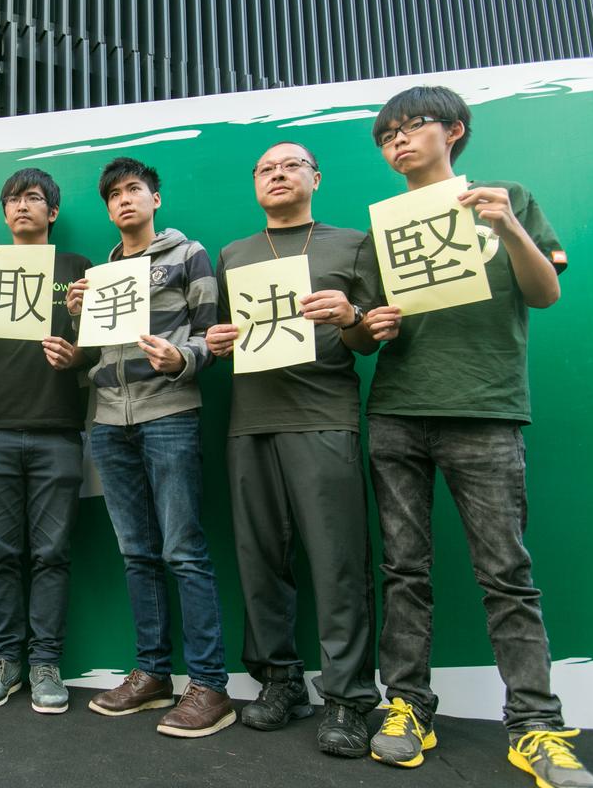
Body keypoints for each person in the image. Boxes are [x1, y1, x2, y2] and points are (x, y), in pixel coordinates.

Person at [364, 86, 593, 788]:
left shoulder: (509, 196)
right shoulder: (386, 224)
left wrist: (509, 224)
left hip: (486, 408)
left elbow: (546, 292)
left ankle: (535, 725)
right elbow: (373, 326)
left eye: (412, 128)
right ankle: (408, 705)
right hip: (397, 409)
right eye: (387, 136)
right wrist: (368, 325)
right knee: (404, 570)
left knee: (507, 575)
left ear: (455, 131)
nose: (398, 142)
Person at [205, 142, 384, 756]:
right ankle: (280, 682)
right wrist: (218, 341)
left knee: (337, 561)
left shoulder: (353, 243)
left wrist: (350, 313)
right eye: (264, 169)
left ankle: (349, 697)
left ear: (316, 176)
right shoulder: (234, 253)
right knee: (259, 560)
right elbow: (227, 335)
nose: (277, 175)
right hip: (250, 420)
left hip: (325, 416)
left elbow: (370, 340)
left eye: (290, 166)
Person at [67, 157, 232, 738]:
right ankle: (153, 673)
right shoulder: (102, 271)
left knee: (183, 550)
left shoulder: (190, 256)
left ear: (155, 198)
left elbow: (212, 337)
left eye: (134, 190)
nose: (123, 201)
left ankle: (210, 685)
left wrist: (183, 357)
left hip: (170, 414)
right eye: (113, 195)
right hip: (110, 421)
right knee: (137, 552)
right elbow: (99, 353)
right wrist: (80, 321)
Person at [0, 168, 92, 714]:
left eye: (33, 199)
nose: (22, 207)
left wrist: (77, 349)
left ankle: (44, 662)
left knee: (52, 555)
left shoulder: (78, 268)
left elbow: (96, 347)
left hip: (58, 431)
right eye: (13, 199)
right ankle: (5, 660)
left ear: (52, 211)